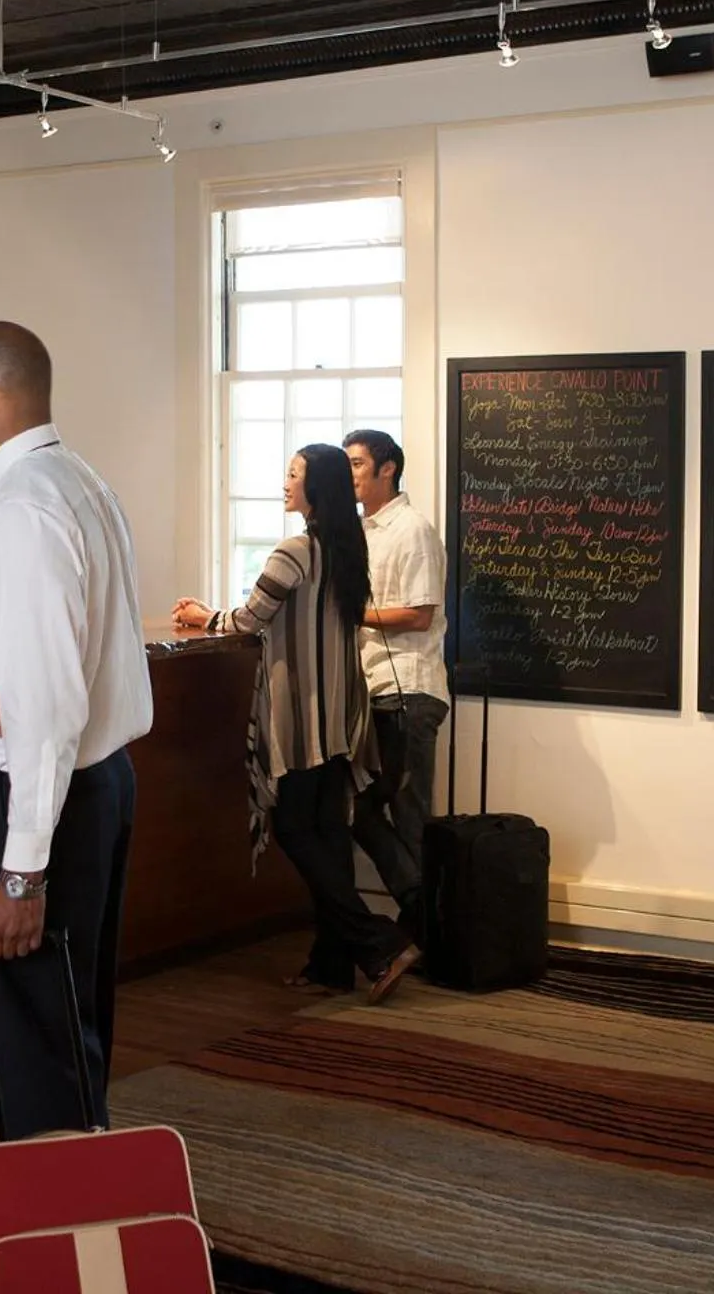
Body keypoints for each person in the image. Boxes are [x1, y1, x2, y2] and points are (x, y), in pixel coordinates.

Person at [0, 322, 154, 1139]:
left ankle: (60, 1242)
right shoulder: (80, 482)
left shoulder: (24, 506)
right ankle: (85, 1213)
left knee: (31, 1039)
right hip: (92, 783)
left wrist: (22, 870)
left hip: (34, 797)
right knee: (67, 1024)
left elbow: (45, 697)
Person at [173, 444, 422, 1004]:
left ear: (317, 488)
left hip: (299, 722)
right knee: (329, 837)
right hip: (336, 722)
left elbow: (247, 619)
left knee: (290, 829)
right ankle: (332, 964)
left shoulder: (294, 551)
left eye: (293, 475)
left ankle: (377, 943)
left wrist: (199, 615)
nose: (284, 483)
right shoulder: (345, 549)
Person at [343, 428, 449, 942]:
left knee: (407, 816)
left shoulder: (412, 530)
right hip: (374, 693)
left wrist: (348, 614)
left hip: (407, 689)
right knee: (359, 808)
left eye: (358, 465)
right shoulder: (361, 531)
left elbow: (419, 614)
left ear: (388, 469)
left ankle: (428, 932)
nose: (350, 476)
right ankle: (421, 923)